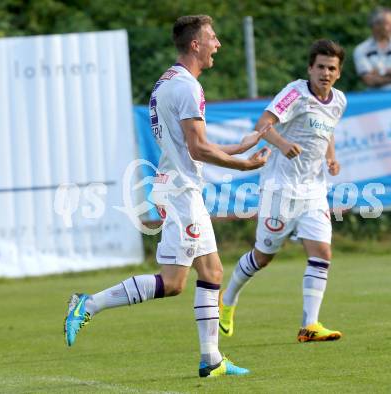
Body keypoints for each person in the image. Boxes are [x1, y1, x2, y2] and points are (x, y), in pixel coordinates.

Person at [64, 15, 270, 378]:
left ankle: (212, 359)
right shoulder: (187, 87)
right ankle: (88, 304)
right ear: (195, 44)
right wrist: (242, 166)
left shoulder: (167, 81)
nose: (217, 44)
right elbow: (198, 148)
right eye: (212, 38)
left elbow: (192, 145)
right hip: (180, 192)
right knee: (174, 282)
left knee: (212, 271)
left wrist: (241, 146)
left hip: (180, 186)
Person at [219, 39, 347, 343]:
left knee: (322, 253)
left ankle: (309, 325)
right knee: (263, 257)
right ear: (310, 68)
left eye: (331, 68)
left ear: (338, 73)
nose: (325, 73)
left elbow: (327, 130)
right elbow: (263, 123)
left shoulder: (339, 100)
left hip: (313, 190)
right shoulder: (295, 93)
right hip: (280, 188)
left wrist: (331, 156)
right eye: (320, 67)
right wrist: (282, 143)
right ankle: (228, 299)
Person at [353, 6, 391, 90]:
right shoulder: (361, 49)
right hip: (376, 97)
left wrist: (381, 71)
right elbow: (369, 80)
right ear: (376, 25)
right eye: (389, 24)